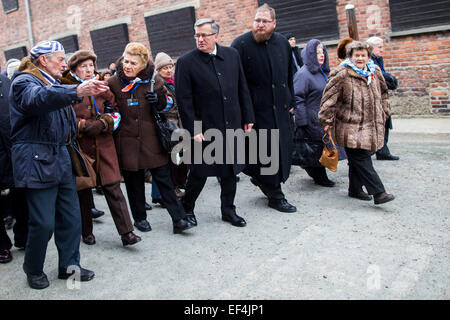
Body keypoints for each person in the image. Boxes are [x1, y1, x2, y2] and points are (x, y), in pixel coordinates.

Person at [9, 40, 104, 289]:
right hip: (37, 161)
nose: (65, 64)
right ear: (43, 60)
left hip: (61, 157)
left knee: (71, 218)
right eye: (60, 59)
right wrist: (76, 92)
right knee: (43, 222)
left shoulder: (55, 83)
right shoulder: (24, 82)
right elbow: (38, 100)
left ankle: (69, 267)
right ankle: (33, 268)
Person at [108, 42, 194, 234]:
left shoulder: (154, 80)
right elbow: (110, 107)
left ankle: (178, 219)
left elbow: (167, 106)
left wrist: (159, 100)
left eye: (133, 63)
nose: (128, 66)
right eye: (126, 61)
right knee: (134, 183)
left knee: (164, 180)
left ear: (143, 65)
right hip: (126, 142)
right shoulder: (113, 83)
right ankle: (140, 218)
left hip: (152, 140)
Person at [176, 18, 255, 227]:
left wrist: (248, 118)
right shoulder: (186, 62)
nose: (200, 39)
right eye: (197, 35)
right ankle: (187, 207)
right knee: (199, 172)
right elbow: (184, 101)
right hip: (204, 128)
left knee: (230, 171)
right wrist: (193, 129)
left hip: (232, 123)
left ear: (216, 36)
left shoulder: (231, 55)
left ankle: (228, 210)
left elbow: (242, 88)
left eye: (205, 35)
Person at [60, 50, 141, 246]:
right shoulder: (66, 88)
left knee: (113, 186)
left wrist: (105, 122)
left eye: (90, 66)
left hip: (104, 143)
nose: (88, 70)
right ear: (74, 69)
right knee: (84, 191)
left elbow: (116, 111)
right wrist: (82, 125)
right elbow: (62, 117)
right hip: (80, 145)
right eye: (83, 66)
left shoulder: (102, 87)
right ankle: (86, 231)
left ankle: (127, 232)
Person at [232, 4, 297, 213]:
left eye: (264, 21)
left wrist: (291, 100)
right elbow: (235, 83)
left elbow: (289, 75)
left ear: (274, 23)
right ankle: (276, 197)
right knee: (266, 154)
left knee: (282, 151)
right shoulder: (240, 44)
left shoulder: (283, 44)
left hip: (281, 109)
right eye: (257, 21)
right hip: (256, 112)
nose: (260, 25)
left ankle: (264, 181)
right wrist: (243, 113)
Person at [318, 41, 395, 205]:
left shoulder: (374, 71)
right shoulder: (342, 73)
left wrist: (384, 111)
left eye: (363, 55)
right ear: (350, 56)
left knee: (358, 158)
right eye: (356, 55)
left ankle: (355, 189)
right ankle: (379, 192)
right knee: (361, 158)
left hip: (370, 124)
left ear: (368, 56)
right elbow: (328, 99)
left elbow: (384, 92)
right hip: (349, 125)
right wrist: (326, 120)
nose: (360, 58)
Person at [293, 39, 335, 187]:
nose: (321, 55)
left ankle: (316, 171)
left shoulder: (323, 72)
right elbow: (298, 98)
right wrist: (302, 121)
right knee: (316, 148)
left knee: (322, 146)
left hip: (323, 117)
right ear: (310, 54)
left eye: (322, 51)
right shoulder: (303, 74)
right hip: (311, 117)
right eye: (317, 52)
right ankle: (319, 176)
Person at [150, 52, 188, 208]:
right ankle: (165, 192)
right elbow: (163, 105)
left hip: (179, 125)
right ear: (158, 70)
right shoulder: (158, 84)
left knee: (179, 158)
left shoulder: (176, 81)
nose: (168, 70)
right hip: (168, 126)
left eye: (170, 66)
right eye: (164, 68)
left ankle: (176, 186)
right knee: (168, 161)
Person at [0, 73, 28, 264]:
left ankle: (23, 237)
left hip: (15, 150)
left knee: (22, 198)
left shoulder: (7, 83)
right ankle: (2, 245)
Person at [367, 36, 399, 161]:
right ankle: (375, 151)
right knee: (378, 124)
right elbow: (382, 78)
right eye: (379, 47)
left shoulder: (379, 60)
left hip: (382, 97)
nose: (382, 50)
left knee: (384, 123)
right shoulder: (370, 61)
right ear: (371, 48)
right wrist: (389, 78)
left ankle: (382, 151)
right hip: (375, 98)